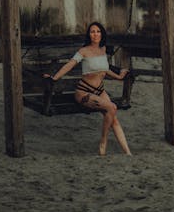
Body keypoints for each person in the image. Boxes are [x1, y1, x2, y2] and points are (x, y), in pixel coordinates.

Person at [45, 21, 132, 156]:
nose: (95, 34)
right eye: (92, 32)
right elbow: (69, 65)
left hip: (100, 91)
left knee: (113, 118)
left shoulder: (103, 50)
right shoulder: (83, 51)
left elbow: (105, 69)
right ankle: (103, 142)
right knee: (112, 108)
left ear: (102, 34)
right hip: (84, 92)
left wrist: (119, 77)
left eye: (98, 31)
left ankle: (128, 152)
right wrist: (54, 77)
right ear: (89, 35)